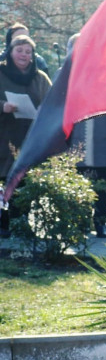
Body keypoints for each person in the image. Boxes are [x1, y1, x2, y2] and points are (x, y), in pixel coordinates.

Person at [0, 33, 52, 238]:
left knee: (24, 180)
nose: (23, 54)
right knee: (3, 178)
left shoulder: (40, 78)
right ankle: (3, 224)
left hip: (29, 138)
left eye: (28, 51)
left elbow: (53, 103)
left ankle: (22, 222)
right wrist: (3, 106)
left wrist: (43, 111)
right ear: (10, 52)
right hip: (4, 136)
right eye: (19, 50)